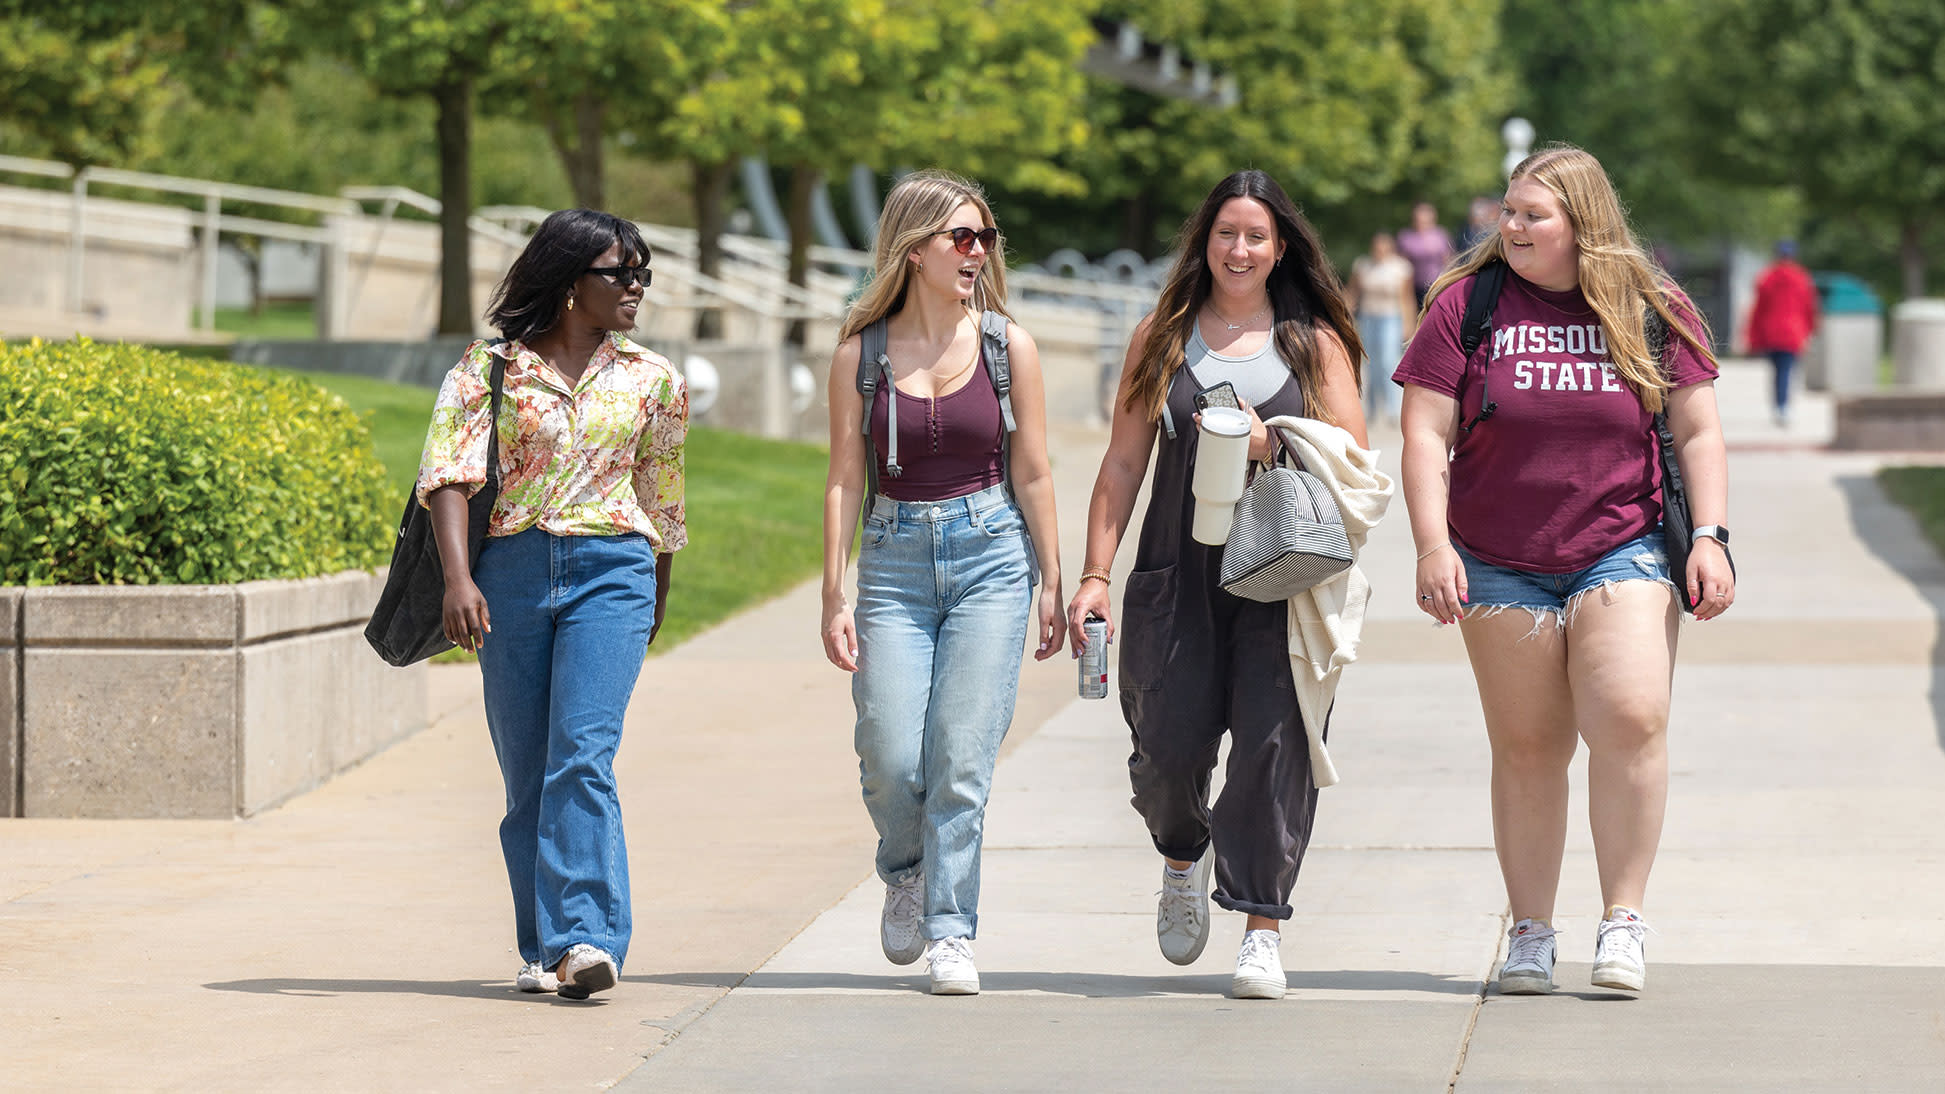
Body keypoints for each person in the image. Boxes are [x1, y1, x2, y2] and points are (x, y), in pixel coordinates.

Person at [1394, 144, 1734, 997]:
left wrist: (1712, 536)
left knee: (1629, 714)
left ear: (1580, 223)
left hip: (1621, 544)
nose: (1509, 226)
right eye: (1506, 212)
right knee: (1529, 745)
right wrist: (1432, 545)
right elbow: (1424, 434)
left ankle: (1621, 921)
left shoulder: (1652, 304)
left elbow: (1697, 432)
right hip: (1496, 557)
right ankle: (1531, 933)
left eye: (1529, 214)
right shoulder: (1466, 307)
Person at [1065, 170, 1369, 1001]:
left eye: (1256, 236)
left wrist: (1282, 442)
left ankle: (1261, 926)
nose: (1240, 249)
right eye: (1226, 232)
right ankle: (1178, 855)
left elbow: (1354, 458)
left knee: (1275, 746)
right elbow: (1123, 460)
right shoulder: (1161, 338)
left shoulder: (1312, 343)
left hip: (1281, 571)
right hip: (1176, 567)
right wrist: (1096, 574)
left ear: (1280, 250)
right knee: (1165, 748)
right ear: (1204, 240)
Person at [417, 209, 687, 1001]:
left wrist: (653, 597)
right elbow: (448, 477)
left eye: (644, 273)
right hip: (512, 573)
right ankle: (546, 947)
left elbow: (661, 500)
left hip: (615, 570)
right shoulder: (488, 369)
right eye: (621, 273)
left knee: (582, 756)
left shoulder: (653, 379)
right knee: (528, 774)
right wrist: (459, 581)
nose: (636, 287)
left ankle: (586, 939)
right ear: (572, 281)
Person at [819, 170, 1063, 996]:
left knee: (960, 755)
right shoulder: (861, 353)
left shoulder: (1007, 346)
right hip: (890, 560)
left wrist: (1055, 578)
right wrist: (832, 590)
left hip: (991, 551)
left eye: (984, 238)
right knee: (889, 753)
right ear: (913, 248)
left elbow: (1032, 472)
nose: (977, 253)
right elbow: (843, 479)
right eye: (961, 237)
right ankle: (905, 869)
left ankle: (951, 929)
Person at [1345, 231, 1416, 427]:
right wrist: (1344, 314)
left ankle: (1393, 409)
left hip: (1391, 317)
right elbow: (1353, 292)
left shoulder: (1400, 268)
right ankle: (1373, 408)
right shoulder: (1363, 265)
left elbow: (1406, 298)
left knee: (1388, 361)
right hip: (1368, 316)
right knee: (1370, 364)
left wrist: (1408, 323)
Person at [1746, 239, 1818, 426]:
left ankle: (1779, 404)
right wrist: (1811, 329)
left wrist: (1753, 337)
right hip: (1793, 332)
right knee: (1787, 370)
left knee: (1778, 371)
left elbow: (1758, 310)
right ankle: (1783, 406)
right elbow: (1809, 307)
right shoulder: (1801, 278)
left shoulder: (1767, 277)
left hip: (1771, 333)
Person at [1396, 200, 1457, 308]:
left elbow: (1449, 259)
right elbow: (1401, 264)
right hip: (1413, 286)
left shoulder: (1440, 235)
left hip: (1437, 284)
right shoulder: (1406, 236)